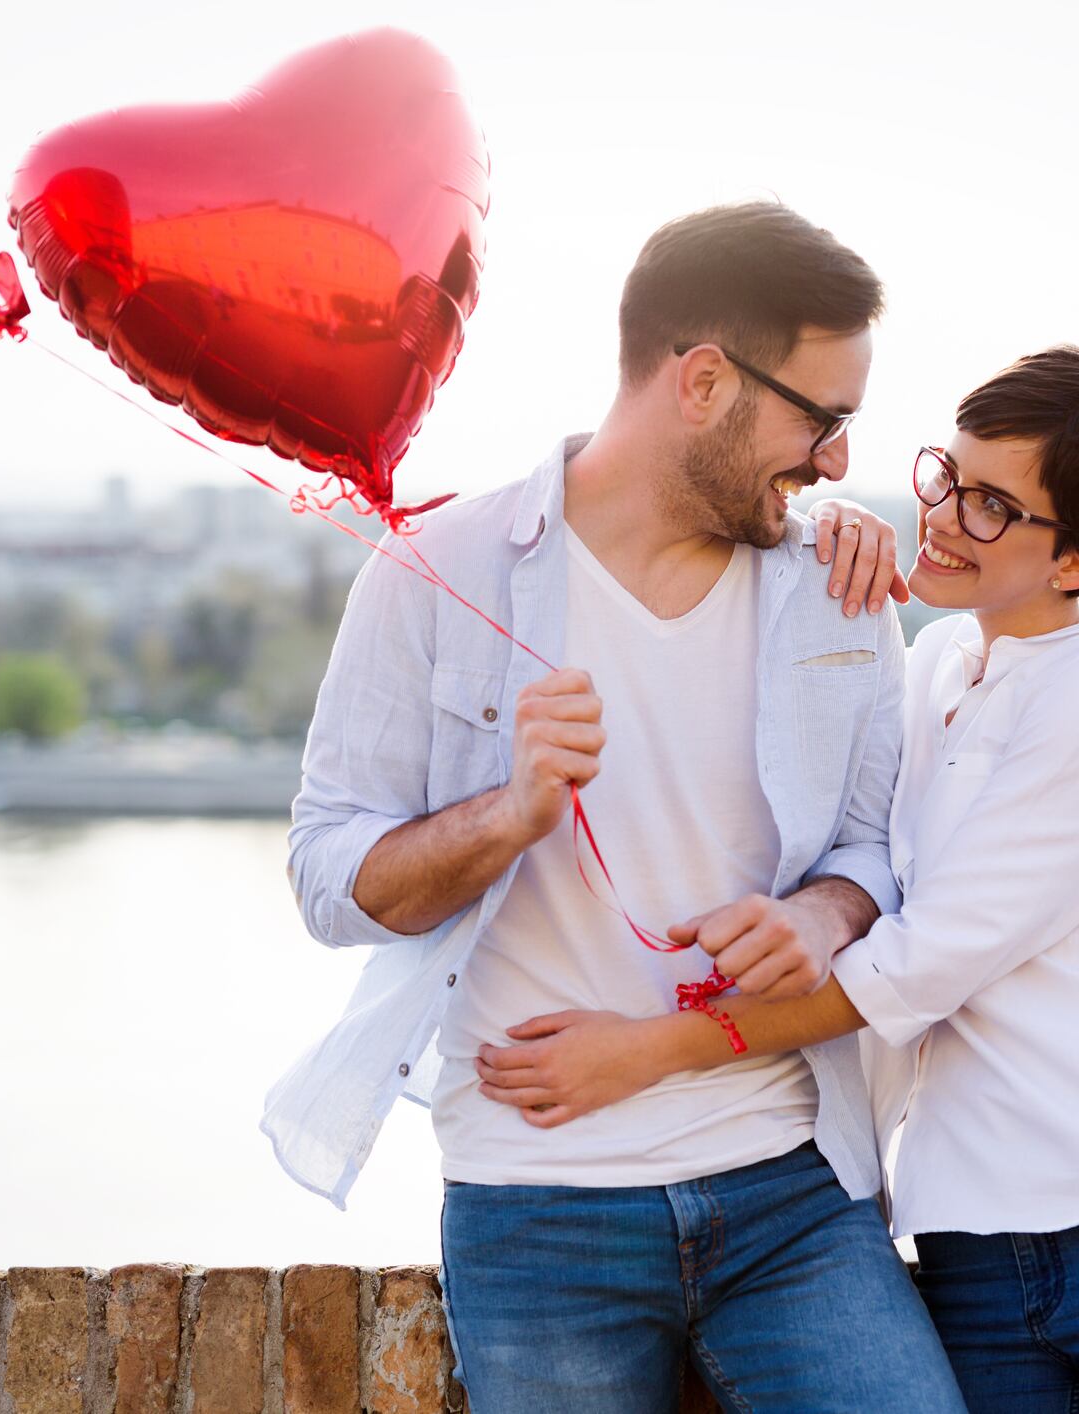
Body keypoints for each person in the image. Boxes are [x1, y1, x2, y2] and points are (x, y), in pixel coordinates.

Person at [477, 347, 1079, 1413]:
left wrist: (648, 1051)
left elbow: (922, 962)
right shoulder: (934, 668)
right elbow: (856, 861)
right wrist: (819, 538)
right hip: (971, 1243)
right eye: (947, 476)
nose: (942, 516)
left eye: (990, 506)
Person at [262, 201, 966, 1413]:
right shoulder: (437, 572)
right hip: (537, 1211)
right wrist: (509, 813)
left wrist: (825, 916)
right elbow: (331, 882)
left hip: (793, 1191)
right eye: (823, 420)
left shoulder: (839, 590)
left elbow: (874, 847)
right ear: (703, 381)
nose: (841, 463)